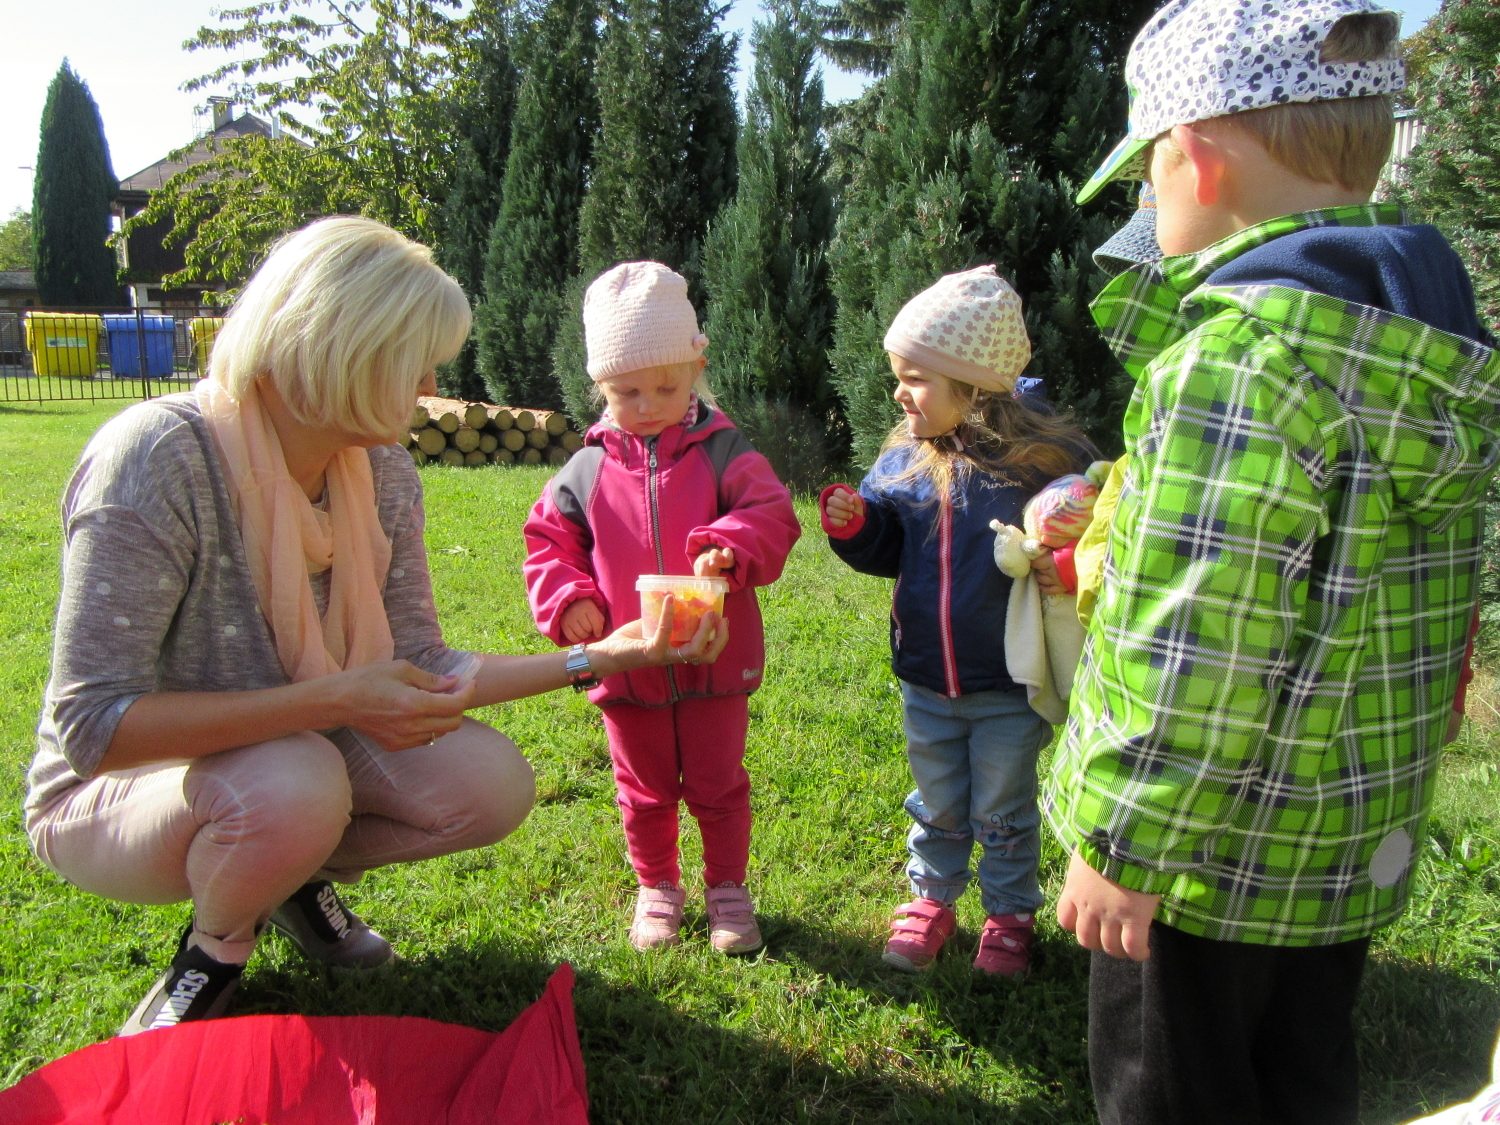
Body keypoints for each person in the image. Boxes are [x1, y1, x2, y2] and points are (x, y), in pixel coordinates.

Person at [25, 218, 727, 1037]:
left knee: (490, 782)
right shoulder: (157, 457)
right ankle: (214, 951)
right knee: (297, 783)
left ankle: (284, 874)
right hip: (116, 792)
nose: (432, 380)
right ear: (344, 348)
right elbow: (93, 726)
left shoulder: (380, 468)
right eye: (417, 357)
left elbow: (422, 659)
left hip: (300, 749)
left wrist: (604, 654)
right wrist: (334, 699)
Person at [1048, 1, 1500, 1121]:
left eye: (1148, 171)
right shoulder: (1420, 347)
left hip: (1202, 865)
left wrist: (1124, 842)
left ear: (1195, 157)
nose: (1150, 200)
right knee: (1305, 1080)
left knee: (1170, 1096)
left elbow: (1196, 637)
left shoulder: (1241, 361)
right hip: (1339, 850)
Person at [818, 266, 1097, 978]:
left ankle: (1008, 915)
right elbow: (888, 549)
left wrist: (1068, 549)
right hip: (925, 679)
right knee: (938, 800)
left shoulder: (1040, 465)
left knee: (1003, 806)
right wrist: (858, 526)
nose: (898, 392)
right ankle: (931, 899)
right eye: (899, 377)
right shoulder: (904, 462)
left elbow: (1095, 523)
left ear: (973, 388)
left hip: (1007, 680)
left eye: (915, 378)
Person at [522, 262, 800, 955]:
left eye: (666, 388)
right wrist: (569, 597)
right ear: (600, 387)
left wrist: (729, 547)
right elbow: (548, 543)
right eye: (626, 392)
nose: (646, 405)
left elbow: (771, 512)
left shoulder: (724, 451)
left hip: (713, 658)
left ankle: (728, 887)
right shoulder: (585, 471)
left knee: (717, 782)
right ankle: (657, 887)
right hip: (628, 661)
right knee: (642, 787)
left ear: (696, 370)